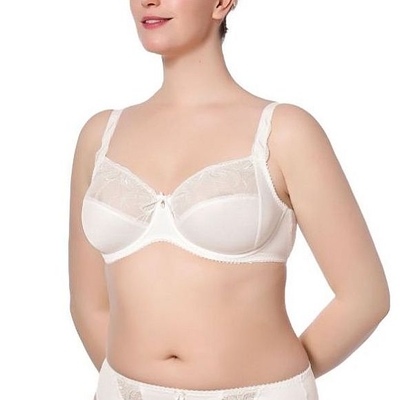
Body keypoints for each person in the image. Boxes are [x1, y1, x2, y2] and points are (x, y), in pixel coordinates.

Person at [68, 1, 390, 399]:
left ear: (222, 2)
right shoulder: (100, 135)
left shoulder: (284, 132)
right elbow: (87, 304)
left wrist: (285, 382)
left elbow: (365, 298)